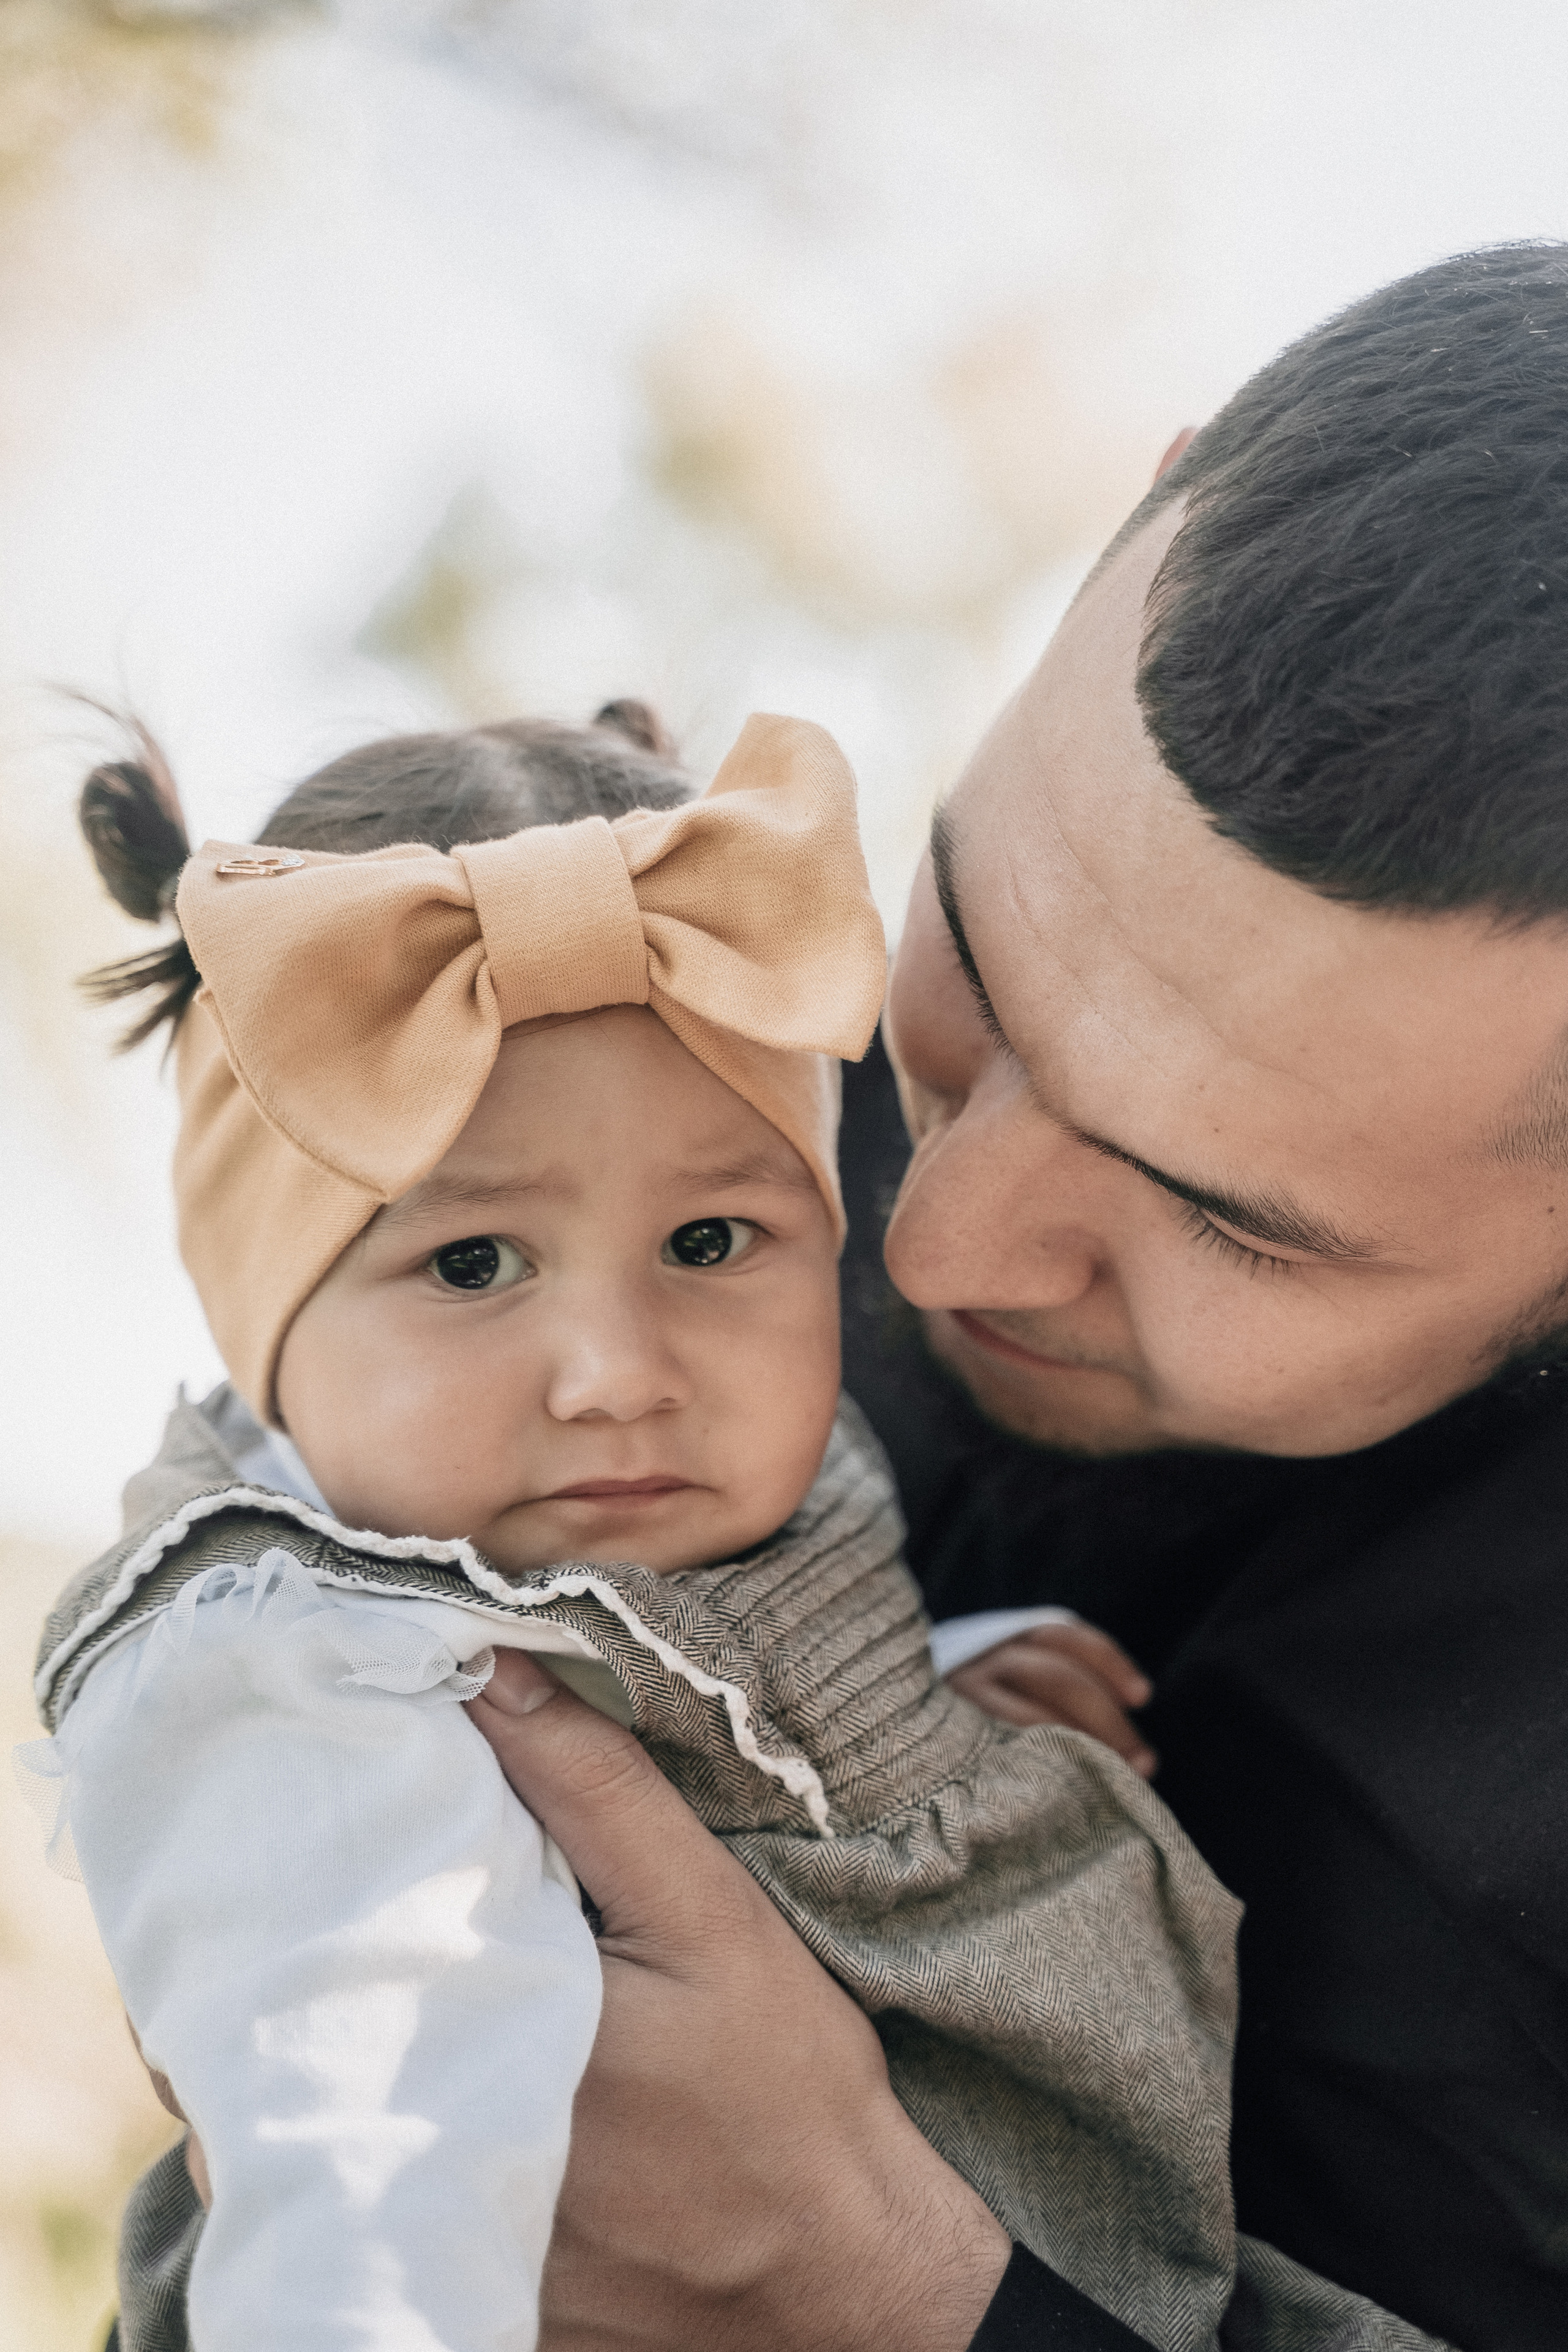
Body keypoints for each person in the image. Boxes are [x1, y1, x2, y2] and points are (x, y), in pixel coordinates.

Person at [445, 243, 1568, 2352]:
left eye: (1234, 1223)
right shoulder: (696, 1106)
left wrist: (889, 2295)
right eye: (969, 965)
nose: (932, 1239)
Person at [36, 707, 1273, 2350]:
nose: (619, 1377)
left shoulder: (714, 1517)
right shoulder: (297, 1681)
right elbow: (361, 2165)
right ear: (271, 1328)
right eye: (472, 1266)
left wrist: (909, 1707)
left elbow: (683, 1702)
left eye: (710, 1238)